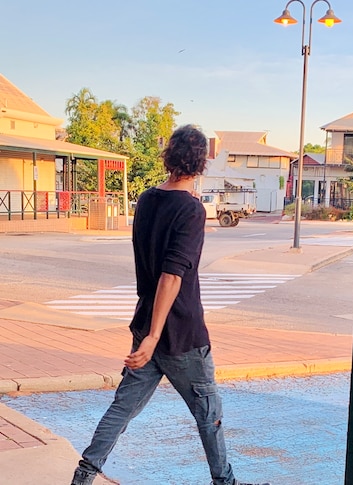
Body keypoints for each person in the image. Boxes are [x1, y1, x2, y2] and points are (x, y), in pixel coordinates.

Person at [71, 125, 268, 485]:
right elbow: (171, 276)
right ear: (200, 163)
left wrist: (148, 334)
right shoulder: (191, 210)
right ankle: (225, 482)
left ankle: (84, 474)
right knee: (209, 412)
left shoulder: (146, 200)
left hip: (146, 323)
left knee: (123, 407)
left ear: (169, 157)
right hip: (181, 335)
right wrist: (154, 337)